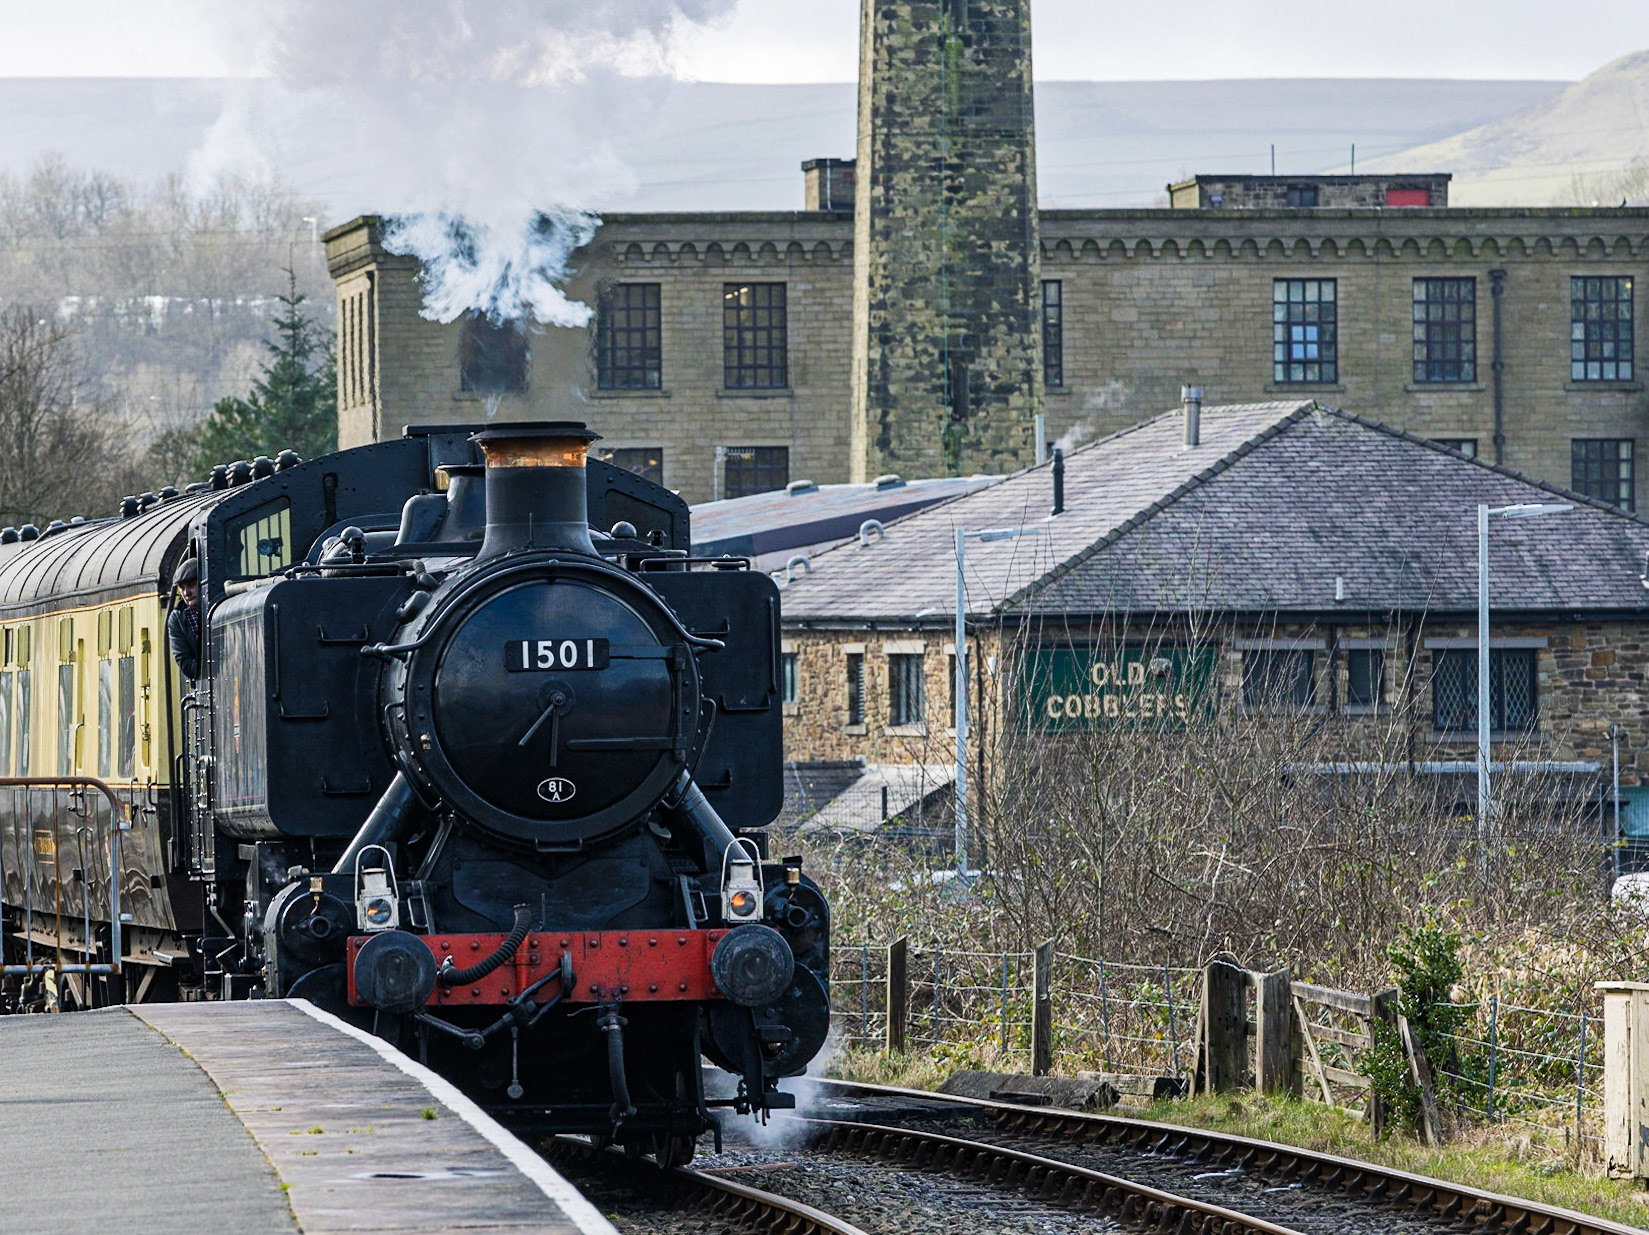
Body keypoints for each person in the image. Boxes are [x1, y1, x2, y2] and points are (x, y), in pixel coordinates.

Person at [167, 558, 201, 679]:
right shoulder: (177, 619)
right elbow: (185, 663)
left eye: (191, 585)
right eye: (182, 588)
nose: (186, 592)